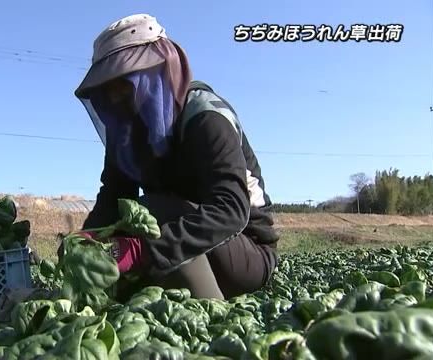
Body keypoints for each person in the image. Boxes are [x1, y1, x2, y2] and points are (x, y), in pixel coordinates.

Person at [67, 14, 280, 300]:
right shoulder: (128, 133)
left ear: (157, 70)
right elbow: (113, 198)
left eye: (124, 82)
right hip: (184, 240)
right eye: (108, 89)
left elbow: (230, 211)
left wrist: (142, 251)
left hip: (245, 252)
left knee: (156, 209)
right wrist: (85, 243)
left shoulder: (206, 118)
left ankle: (213, 310)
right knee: (135, 215)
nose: (116, 97)